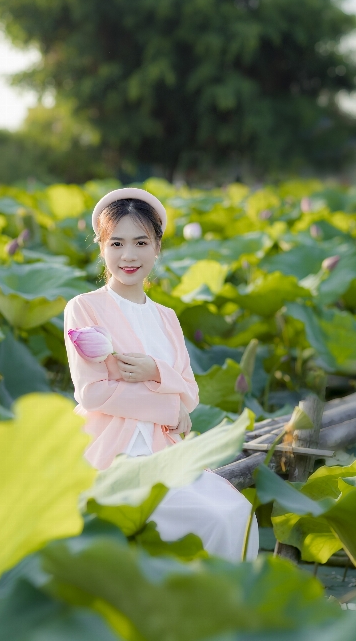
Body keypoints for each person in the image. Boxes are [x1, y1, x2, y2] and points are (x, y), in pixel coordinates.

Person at [64, 187, 259, 561]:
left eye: (141, 242)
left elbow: (190, 391)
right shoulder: (85, 308)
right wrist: (169, 411)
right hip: (112, 456)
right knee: (214, 519)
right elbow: (92, 393)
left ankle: (225, 613)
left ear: (157, 247)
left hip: (163, 451)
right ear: (102, 247)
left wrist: (155, 371)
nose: (129, 255)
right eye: (116, 243)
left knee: (238, 513)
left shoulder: (167, 317)